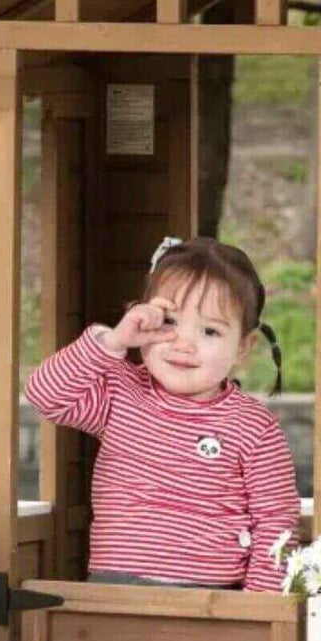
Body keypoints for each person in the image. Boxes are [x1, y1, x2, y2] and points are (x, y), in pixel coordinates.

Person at [24, 236, 299, 591]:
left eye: (210, 331)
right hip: (114, 589)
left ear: (243, 347)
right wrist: (113, 341)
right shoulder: (120, 393)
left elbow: (276, 520)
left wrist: (258, 612)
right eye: (168, 321)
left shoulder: (252, 425)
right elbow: (44, 394)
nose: (184, 343)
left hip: (214, 600)